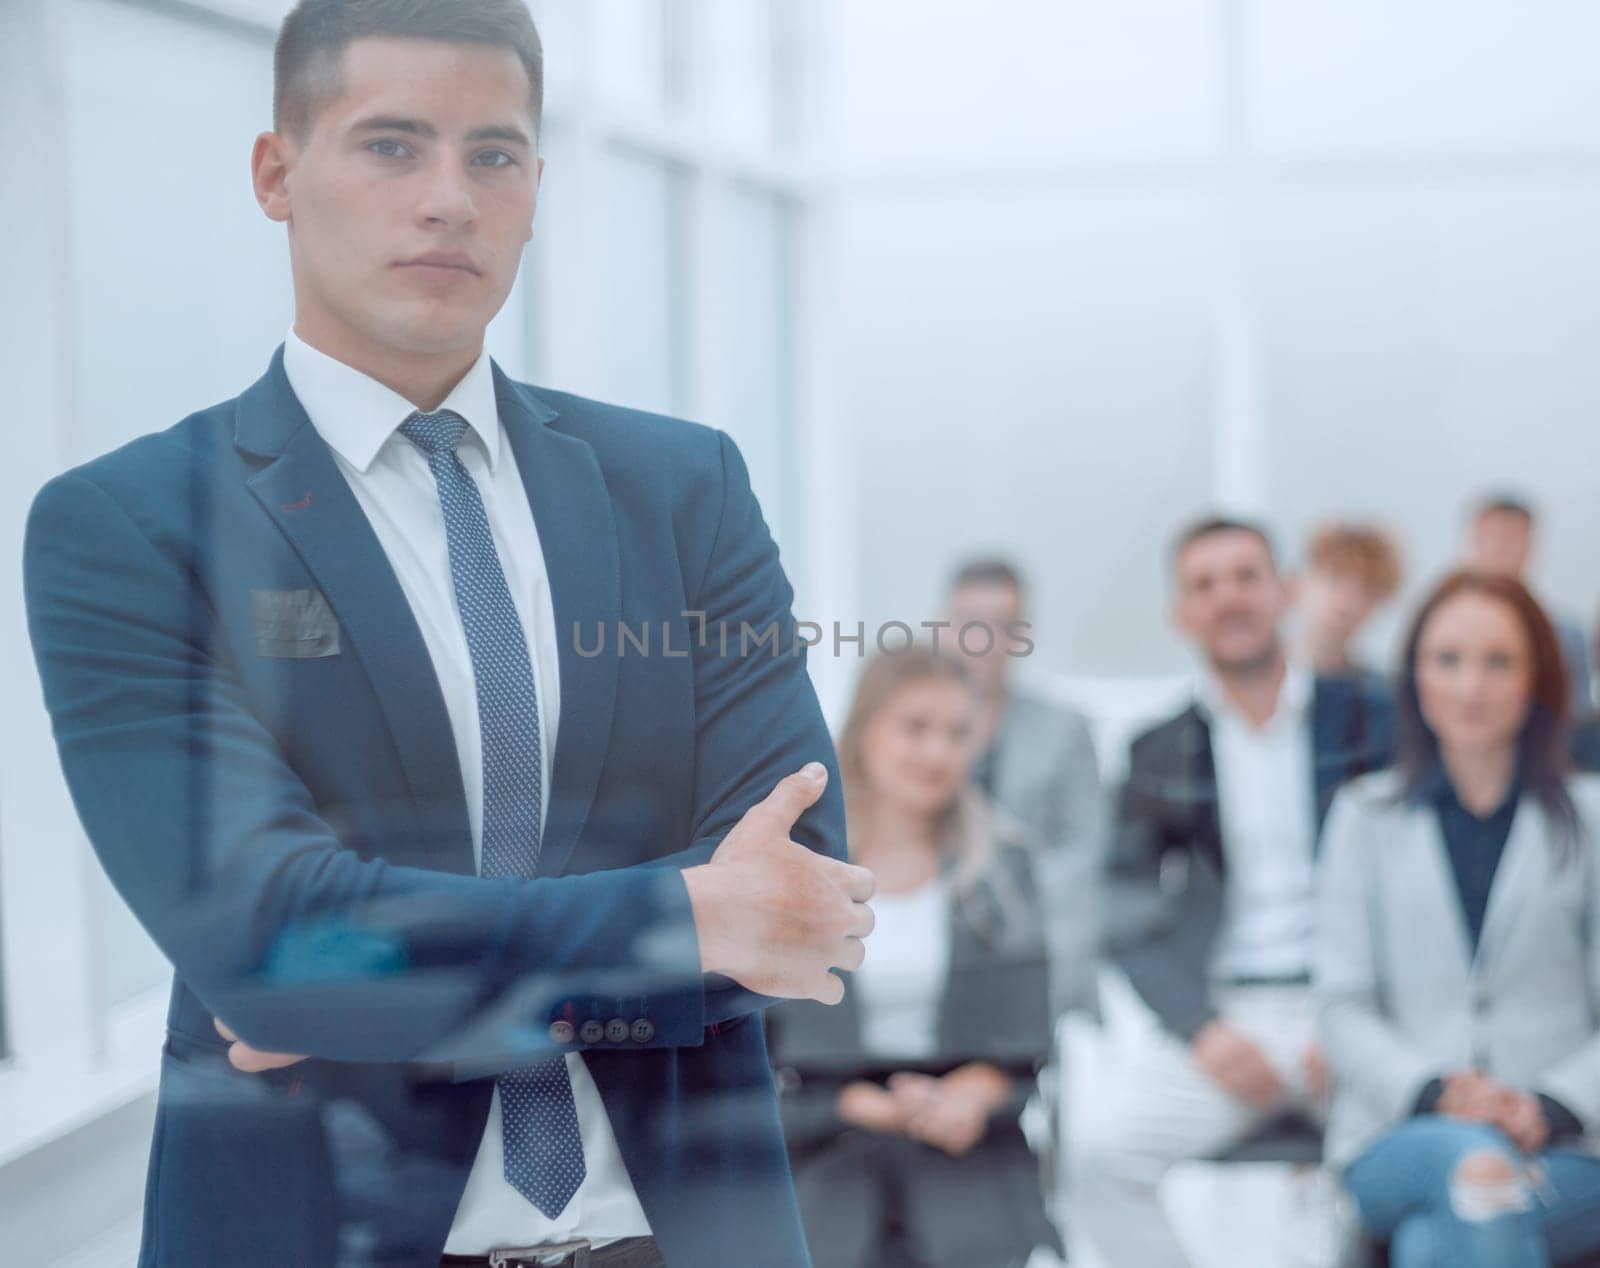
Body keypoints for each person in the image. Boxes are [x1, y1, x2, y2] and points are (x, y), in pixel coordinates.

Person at [21, 4, 872, 1266]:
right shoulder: (138, 526)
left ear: (534, 186)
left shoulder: (680, 487)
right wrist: (691, 916)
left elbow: (800, 903)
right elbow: (265, 941)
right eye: (390, 145)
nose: (447, 200)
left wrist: (366, 984)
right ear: (276, 172)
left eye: (493, 154)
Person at [1075, 516, 1393, 1268]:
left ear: (1284, 592)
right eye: (1203, 584)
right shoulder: (1158, 747)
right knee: (1095, 1157)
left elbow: (1413, 885)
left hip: (1359, 1008)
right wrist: (1200, 1026)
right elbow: (1122, 912)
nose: (1229, 598)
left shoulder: (1372, 720)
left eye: (1246, 576)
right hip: (1229, 1018)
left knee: (1408, 1166)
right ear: (1180, 614)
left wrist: (1354, 1017)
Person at [1315, 570, 1600, 1267]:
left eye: (1499, 662)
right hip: (1398, 1135)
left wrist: (1547, 1104)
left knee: (1444, 1231)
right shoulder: (1363, 817)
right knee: (1475, 1172)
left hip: (1565, 1143)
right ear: (1414, 676)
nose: (1471, 687)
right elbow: (1342, 1005)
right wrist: (1435, 1092)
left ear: (1538, 678)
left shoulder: (1591, 818)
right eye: (1448, 660)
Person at [766, 647, 1060, 1268]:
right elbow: (759, 1047)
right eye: (915, 728)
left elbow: (1026, 1041)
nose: (938, 753)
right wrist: (872, 1106)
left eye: (957, 733)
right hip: (827, 1133)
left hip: (968, 1136)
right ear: (865, 730)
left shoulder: (1004, 868)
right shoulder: (801, 868)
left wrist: (964, 1099)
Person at [944, 557, 1106, 1018]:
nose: (983, 641)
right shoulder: (912, 734)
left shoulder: (1064, 730)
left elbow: (1080, 859)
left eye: (1001, 625)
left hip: (1036, 944)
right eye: (970, 624)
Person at [1464, 494, 1593, 720]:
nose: (1499, 548)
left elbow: (1578, 715)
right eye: (1490, 537)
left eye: (1511, 538)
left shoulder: (1566, 633)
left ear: (1530, 547)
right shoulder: (1443, 628)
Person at [1293, 521, 1403, 683]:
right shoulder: (1254, 670)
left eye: (1366, 588)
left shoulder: (1381, 692)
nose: (1348, 599)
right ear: (1299, 582)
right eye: (1336, 578)